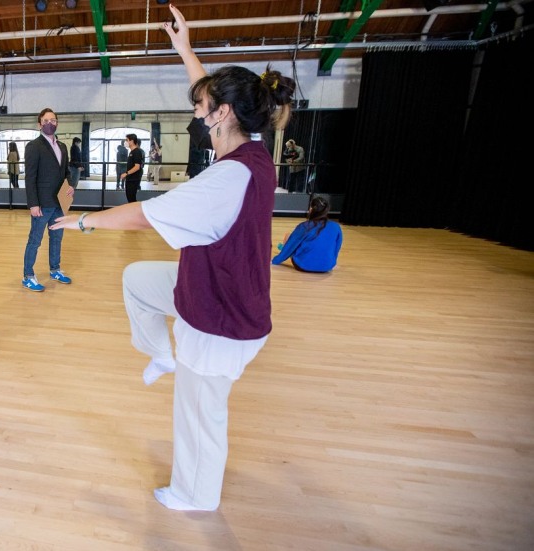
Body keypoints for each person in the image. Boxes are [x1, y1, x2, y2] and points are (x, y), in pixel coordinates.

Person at [51, 3, 295, 512]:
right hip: (215, 281)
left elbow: (144, 216)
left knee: (201, 415)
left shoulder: (229, 176)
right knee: (139, 278)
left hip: (224, 317)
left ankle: (194, 495)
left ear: (222, 114)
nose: (196, 112)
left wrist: (82, 221)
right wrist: (186, 50)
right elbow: (214, 93)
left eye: (201, 107)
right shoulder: (251, 150)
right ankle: (160, 351)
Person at [21, 107, 74, 292]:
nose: (49, 123)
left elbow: (66, 171)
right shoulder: (33, 147)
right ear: (39, 124)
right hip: (42, 204)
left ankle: (55, 269)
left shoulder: (63, 147)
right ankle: (28, 276)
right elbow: (30, 177)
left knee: (56, 238)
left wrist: (71, 185)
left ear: (57, 123)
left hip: (59, 203)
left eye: (53, 120)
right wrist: (33, 204)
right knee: (35, 240)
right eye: (46, 121)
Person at [272, 195, 342, 272]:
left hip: (303, 266)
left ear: (311, 209)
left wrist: (275, 261)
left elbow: (290, 246)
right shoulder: (336, 226)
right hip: (327, 267)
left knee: (288, 236)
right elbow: (337, 247)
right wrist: (332, 262)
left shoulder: (304, 226)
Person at [119, 134, 145, 203]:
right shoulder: (131, 152)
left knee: (132, 199)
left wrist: (126, 173)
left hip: (134, 179)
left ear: (132, 141)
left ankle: (136, 212)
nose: (125, 142)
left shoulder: (137, 152)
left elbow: (137, 167)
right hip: (130, 179)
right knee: (130, 198)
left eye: (127, 140)